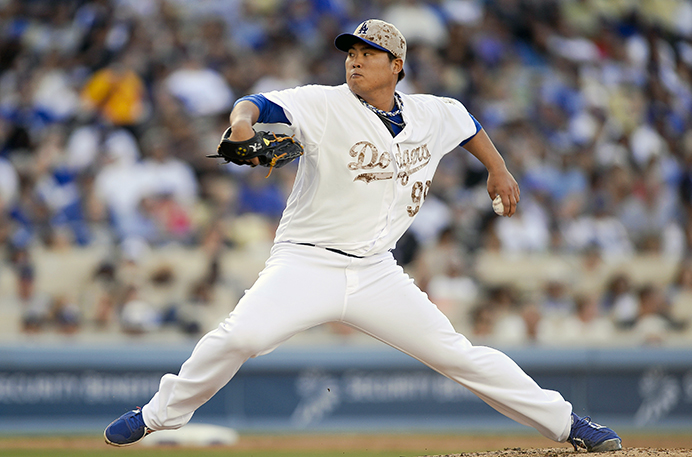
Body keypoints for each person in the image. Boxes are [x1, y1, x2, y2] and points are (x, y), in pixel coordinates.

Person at [103, 19, 622, 452]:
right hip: (306, 263)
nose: (355, 59)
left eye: (369, 52)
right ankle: (157, 416)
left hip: (377, 270)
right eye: (351, 51)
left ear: (397, 65)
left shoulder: (429, 113)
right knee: (241, 336)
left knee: (458, 355)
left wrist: (498, 168)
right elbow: (255, 103)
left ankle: (569, 425)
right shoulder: (324, 104)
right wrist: (241, 126)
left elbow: (466, 122)